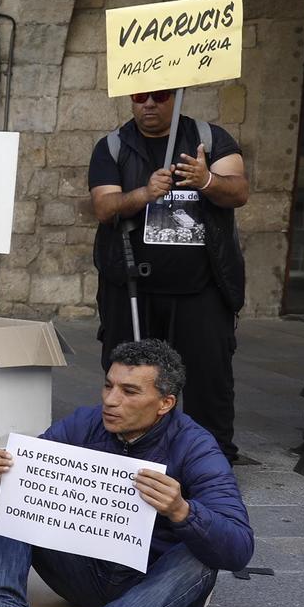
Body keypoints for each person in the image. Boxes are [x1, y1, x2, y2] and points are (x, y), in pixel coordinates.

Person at [0, 339, 253, 607]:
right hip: (83, 574)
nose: (111, 400)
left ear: (164, 404)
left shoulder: (195, 446)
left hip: (150, 591)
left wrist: (183, 511)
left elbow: (239, 547)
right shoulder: (84, 423)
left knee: (203, 553)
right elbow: (19, 483)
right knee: (22, 492)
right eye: (108, 385)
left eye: (129, 391)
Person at [90, 88, 251, 459]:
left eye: (160, 96)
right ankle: (130, 449)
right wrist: (144, 193)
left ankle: (210, 458)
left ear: (175, 98)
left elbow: (239, 190)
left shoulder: (210, 139)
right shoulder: (113, 146)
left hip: (201, 287)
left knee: (209, 378)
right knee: (129, 373)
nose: (149, 104)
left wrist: (206, 180)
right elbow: (104, 206)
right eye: (140, 97)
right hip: (131, 286)